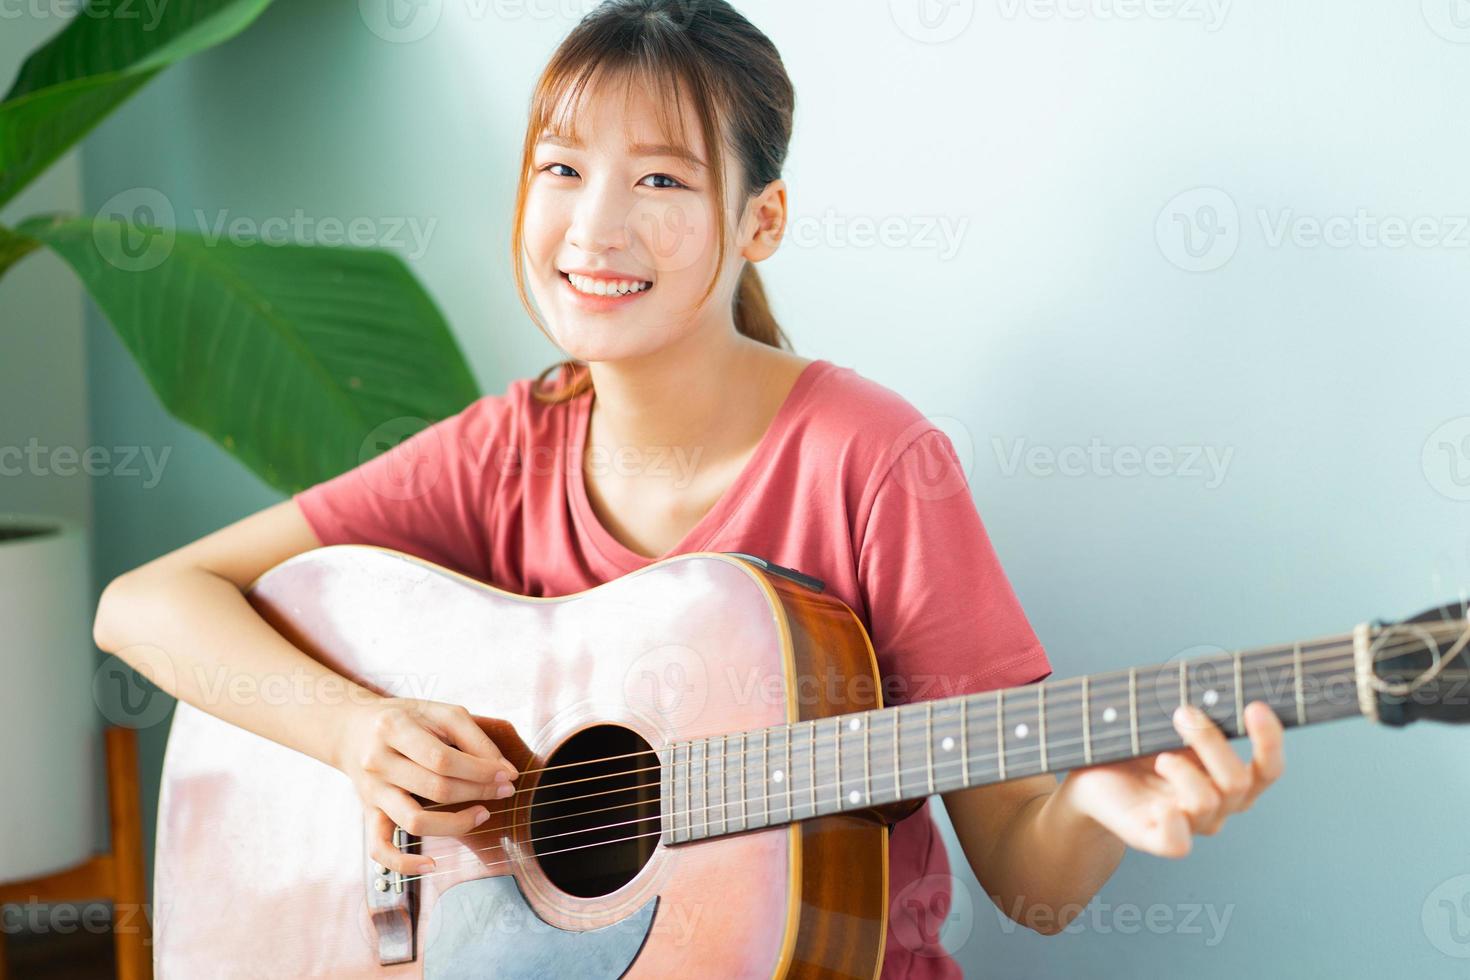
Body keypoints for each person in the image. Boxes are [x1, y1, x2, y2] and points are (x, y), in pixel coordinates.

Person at [92, 1, 1284, 975]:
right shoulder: (508, 447)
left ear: (759, 218)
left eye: (660, 181)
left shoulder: (875, 459)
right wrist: (360, 732)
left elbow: (1030, 882)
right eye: (562, 167)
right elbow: (142, 603)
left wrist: (1098, 806)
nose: (595, 225)